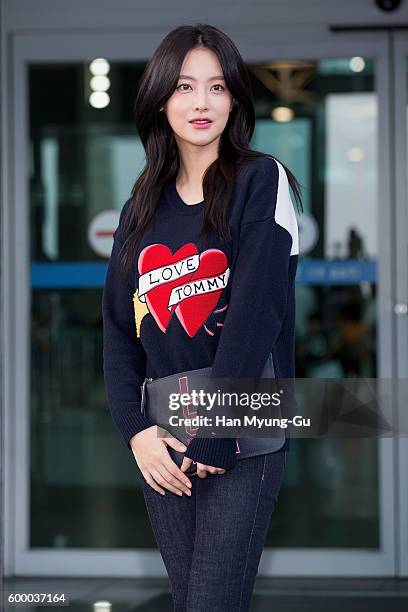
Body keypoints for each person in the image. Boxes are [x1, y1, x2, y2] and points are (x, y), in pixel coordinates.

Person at [102, 23, 302, 612]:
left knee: (213, 600)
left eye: (217, 87)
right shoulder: (140, 207)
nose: (201, 103)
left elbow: (255, 315)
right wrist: (136, 434)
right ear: (162, 99)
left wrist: (217, 430)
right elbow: (119, 333)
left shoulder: (260, 181)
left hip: (241, 429)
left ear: (235, 99)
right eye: (186, 86)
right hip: (163, 440)